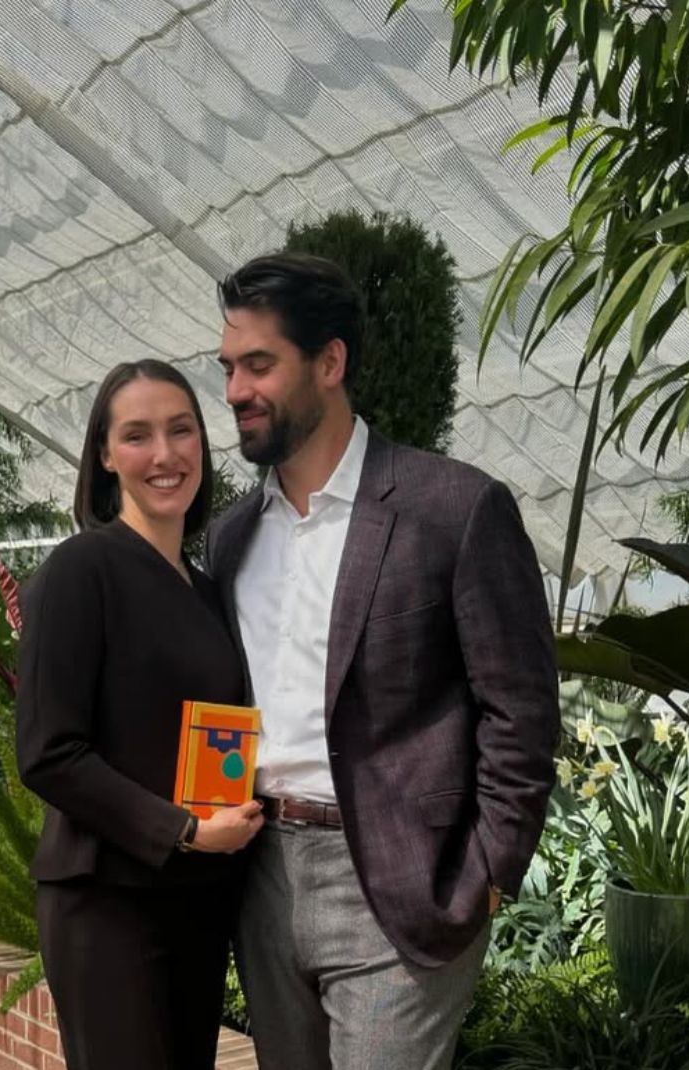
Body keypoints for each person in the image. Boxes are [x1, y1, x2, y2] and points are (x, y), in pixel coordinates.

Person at [207, 252, 560, 1070]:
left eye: (259, 364)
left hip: (398, 886)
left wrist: (486, 876)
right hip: (261, 877)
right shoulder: (231, 536)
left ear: (329, 362)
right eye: (227, 368)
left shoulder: (454, 509)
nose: (234, 391)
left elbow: (522, 711)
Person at [15, 359, 265, 1070]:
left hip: (197, 901)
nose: (164, 454)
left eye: (181, 431)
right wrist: (184, 829)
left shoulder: (210, 591)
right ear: (104, 454)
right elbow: (48, 752)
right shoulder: (80, 571)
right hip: (107, 903)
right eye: (137, 435)